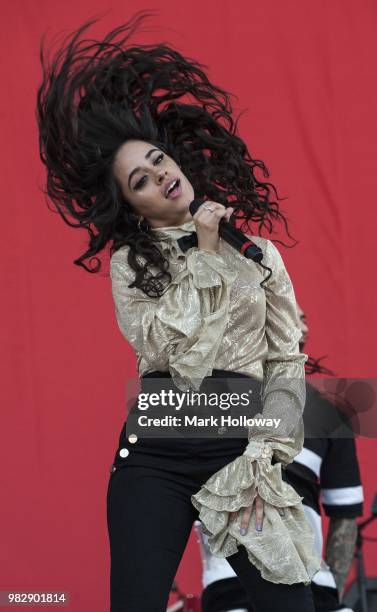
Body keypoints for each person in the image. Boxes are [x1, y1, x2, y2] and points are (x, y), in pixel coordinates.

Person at [36, 12, 322, 611]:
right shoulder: (130, 265)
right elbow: (178, 356)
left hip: (240, 448)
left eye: (158, 160)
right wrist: (207, 251)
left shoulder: (259, 254)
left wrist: (266, 453)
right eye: (141, 179)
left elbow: (286, 360)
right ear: (133, 205)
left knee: (291, 606)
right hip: (159, 446)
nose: (160, 176)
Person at [196, 304, 364, 612]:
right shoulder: (212, 402)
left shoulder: (328, 414)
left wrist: (331, 587)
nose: (305, 327)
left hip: (312, 584)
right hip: (232, 585)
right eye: (294, 315)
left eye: (306, 318)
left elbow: (345, 515)